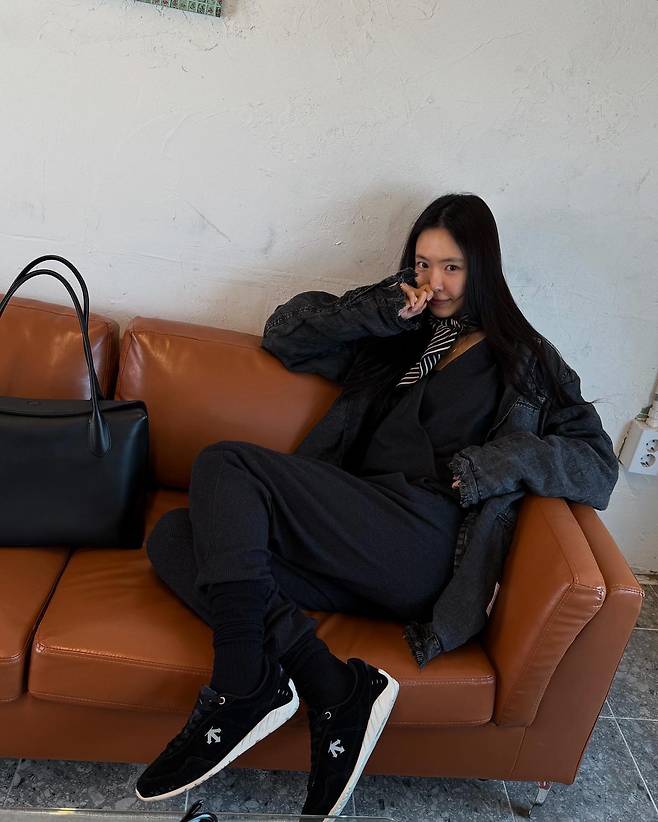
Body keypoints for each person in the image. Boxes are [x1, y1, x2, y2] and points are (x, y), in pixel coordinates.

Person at [135, 193, 618, 815]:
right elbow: (286, 336)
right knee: (174, 536)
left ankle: (240, 684)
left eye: (452, 267)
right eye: (423, 265)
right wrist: (379, 310)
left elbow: (597, 465)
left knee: (224, 462)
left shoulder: (525, 358)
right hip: (355, 533)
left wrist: (492, 465)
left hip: (425, 539)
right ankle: (333, 686)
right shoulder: (397, 335)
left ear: (482, 268)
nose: (435, 283)